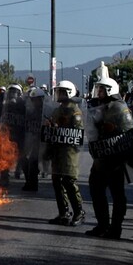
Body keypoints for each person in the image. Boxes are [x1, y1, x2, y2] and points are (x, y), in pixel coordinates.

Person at [86, 77, 133, 239]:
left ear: (110, 90)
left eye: (102, 90)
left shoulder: (119, 108)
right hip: (101, 158)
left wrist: (130, 155)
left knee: (117, 194)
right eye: (98, 89)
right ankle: (103, 225)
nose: (98, 93)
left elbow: (128, 133)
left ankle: (115, 228)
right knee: (96, 190)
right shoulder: (101, 107)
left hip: (115, 159)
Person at [43, 80, 86, 226]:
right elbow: (53, 128)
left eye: (61, 92)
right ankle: (64, 213)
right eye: (58, 91)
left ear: (68, 93)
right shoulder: (57, 110)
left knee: (69, 181)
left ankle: (79, 212)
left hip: (69, 152)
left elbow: (77, 133)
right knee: (57, 181)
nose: (58, 94)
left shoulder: (75, 111)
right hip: (57, 150)